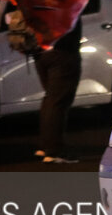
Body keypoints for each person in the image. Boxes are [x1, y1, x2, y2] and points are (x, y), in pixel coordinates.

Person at [33, 13, 84, 163]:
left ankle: (46, 146)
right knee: (58, 102)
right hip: (63, 53)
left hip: (40, 54)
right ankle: (55, 151)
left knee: (51, 100)